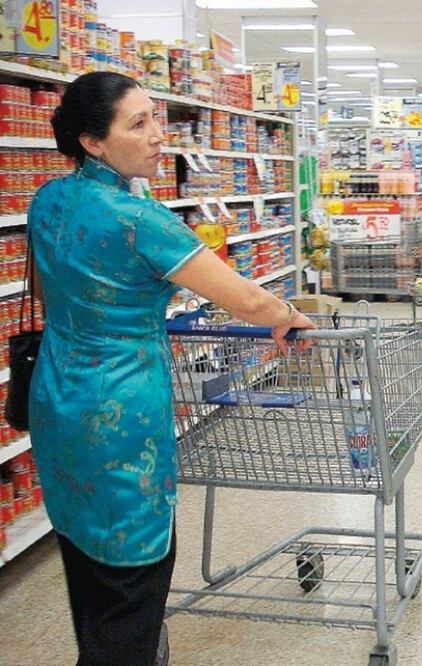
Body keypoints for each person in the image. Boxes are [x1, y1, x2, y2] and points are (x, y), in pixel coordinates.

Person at [27, 71, 316, 666]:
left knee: (86, 562)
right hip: (121, 410)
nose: (160, 135)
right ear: (92, 141)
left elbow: (48, 285)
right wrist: (290, 314)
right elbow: (250, 302)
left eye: (156, 117)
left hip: (56, 394)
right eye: (139, 124)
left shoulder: (48, 198)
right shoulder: (141, 220)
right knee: (135, 576)